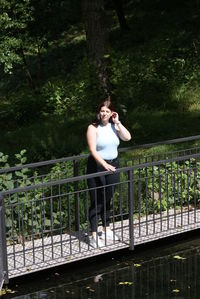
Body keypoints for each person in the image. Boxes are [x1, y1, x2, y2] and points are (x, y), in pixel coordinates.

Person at [86, 98, 131, 248]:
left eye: (107, 111)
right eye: (102, 111)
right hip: (97, 166)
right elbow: (92, 150)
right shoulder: (93, 128)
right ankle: (93, 235)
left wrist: (117, 122)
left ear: (112, 113)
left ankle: (106, 229)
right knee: (97, 200)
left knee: (108, 197)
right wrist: (104, 164)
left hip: (113, 164)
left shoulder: (114, 126)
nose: (104, 113)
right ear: (99, 113)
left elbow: (127, 137)